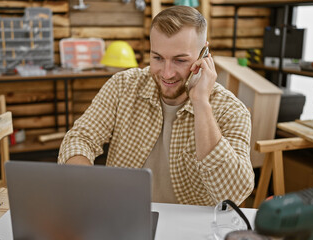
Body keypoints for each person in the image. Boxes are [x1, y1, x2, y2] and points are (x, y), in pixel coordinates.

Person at [58, 6, 254, 206]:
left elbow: (233, 195)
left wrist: (201, 103)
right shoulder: (122, 86)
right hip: (124, 213)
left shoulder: (231, 110)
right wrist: (84, 182)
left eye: (180, 60)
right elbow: (79, 138)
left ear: (204, 54)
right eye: (158, 58)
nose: (167, 73)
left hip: (191, 228)